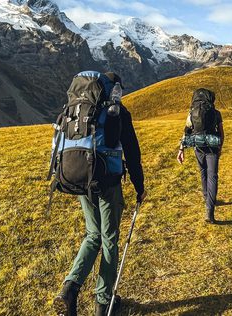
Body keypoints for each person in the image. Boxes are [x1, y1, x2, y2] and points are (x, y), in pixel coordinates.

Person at [53, 72, 147, 316]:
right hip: (108, 181)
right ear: (113, 88)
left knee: (92, 234)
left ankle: (70, 288)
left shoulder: (78, 109)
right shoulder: (117, 111)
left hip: (80, 176)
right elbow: (132, 153)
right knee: (109, 239)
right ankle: (104, 302)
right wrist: (139, 186)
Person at [177, 88, 224, 224]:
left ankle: (206, 197)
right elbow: (221, 133)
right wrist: (220, 148)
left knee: (203, 172)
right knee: (213, 175)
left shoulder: (192, 112)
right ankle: (210, 209)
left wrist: (181, 149)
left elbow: (186, 131)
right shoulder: (216, 113)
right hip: (213, 147)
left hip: (198, 146)